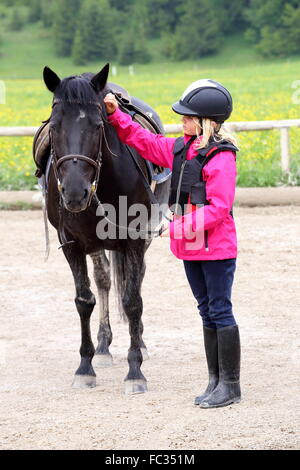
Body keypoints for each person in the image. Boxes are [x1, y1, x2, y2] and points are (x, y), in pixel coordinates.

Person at [104, 79, 241, 408]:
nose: (181, 121)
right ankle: (214, 380)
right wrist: (115, 116)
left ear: (205, 121)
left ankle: (231, 385)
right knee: (206, 311)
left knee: (220, 311)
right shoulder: (182, 148)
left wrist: (176, 224)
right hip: (191, 247)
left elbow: (220, 208)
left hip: (216, 249)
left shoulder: (221, 158)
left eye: (186, 117)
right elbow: (145, 142)